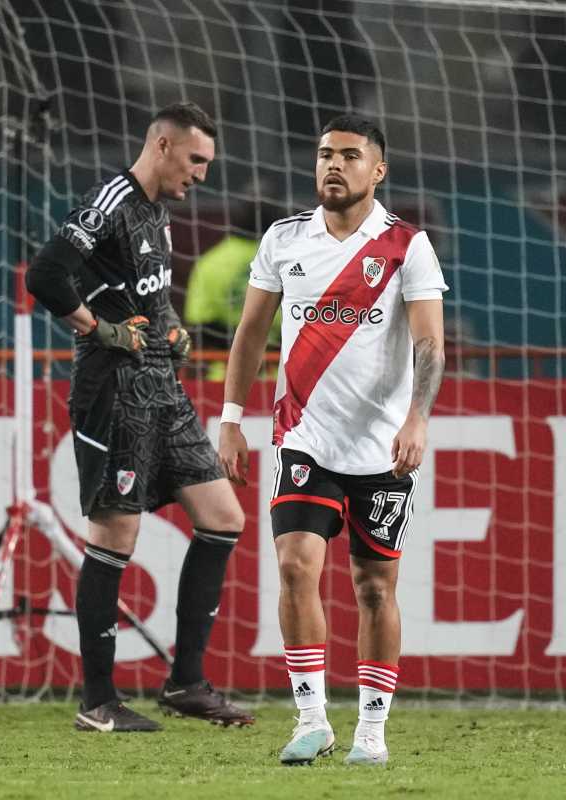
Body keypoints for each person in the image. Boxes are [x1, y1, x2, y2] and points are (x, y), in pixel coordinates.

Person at [217, 114, 447, 766]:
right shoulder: (284, 239)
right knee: (295, 565)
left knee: (374, 589)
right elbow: (250, 335)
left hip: (381, 448)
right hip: (304, 437)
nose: (333, 165)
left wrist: (418, 417)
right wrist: (231, 418)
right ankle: (311, 719)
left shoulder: (407, 246)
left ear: (378, 170)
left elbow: (429, 343)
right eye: (324, 154)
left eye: (349, 155)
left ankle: (371, 731)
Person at [25, 102, 254, 732]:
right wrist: (97, 328)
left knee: (223, 517)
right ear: (161, 145)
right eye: (196, 159)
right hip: (115, 392)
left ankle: (186, 683)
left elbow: (153, 296)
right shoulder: (110, 200)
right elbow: (45, 274)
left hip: (163, 388)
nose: (202, 174)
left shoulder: (156, 213)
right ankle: (98, 702)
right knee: (113, 538)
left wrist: (173, 331)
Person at [183, 192, 284, 380]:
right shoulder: (288, 260)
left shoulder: (211, 262)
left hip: (226, 377)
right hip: (281, 377)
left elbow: (200, 328)